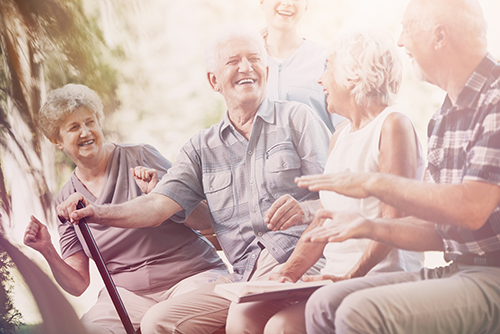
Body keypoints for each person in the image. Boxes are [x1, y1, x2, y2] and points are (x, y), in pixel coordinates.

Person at [57, 28, 331, 334]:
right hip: (242, 276)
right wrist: (98, 212)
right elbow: (156, 205)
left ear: (266, 71)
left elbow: (335, 199)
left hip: (298, 259)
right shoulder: (201, 147)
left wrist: (305, 211)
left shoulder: (297, 119)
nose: (246, 67)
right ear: (213, 80)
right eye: (233, 61)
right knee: (158, 321)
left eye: (254, 59)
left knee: (255, 319)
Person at [295, 0, 500, 333]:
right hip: (459, 268)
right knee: (324, 304)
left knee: (358, 313)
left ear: (439, 36)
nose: (401, 41)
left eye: (407, 27)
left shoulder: (496, 98)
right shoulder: (443, 117)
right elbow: (437, 232)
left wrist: (373, 183)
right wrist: (367, 226)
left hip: (493, 275)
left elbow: (472, 208)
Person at [251, 29, 424, 334]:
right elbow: (323, 221)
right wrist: (286, 274)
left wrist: (348, 279)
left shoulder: (393, 124)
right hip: (337, 278)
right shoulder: (339, 137)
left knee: (282, 328)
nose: (320, 80)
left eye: (327, 68)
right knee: (259, 320)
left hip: (381, 278)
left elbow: (392, 222)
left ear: (352, 75)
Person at [23, 84, 228, 334]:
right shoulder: (65, 200)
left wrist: (160, 192)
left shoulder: (140, 156)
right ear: (57, 140)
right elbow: (78, 284)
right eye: (74, 127)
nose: (86, 132)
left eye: (90, 122)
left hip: (191, 278)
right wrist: (47, 250)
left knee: (158, 322)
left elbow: (205, 219)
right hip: (129, 298)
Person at [261, 0, 344, 132]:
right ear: (262, 2)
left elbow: (343, 126)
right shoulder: (246, 62)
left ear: (306, 5)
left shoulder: (327, 60)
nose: (287, 3)